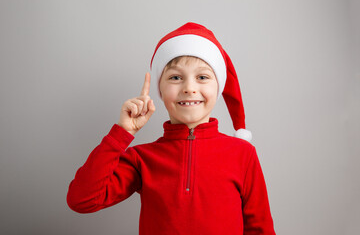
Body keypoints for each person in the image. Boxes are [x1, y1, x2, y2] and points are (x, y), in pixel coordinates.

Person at [67, 22, 276, 234]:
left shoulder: (243, 154)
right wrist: (122, 133)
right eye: (175, 77)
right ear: (160, 88)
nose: (189, 88)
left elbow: (261, 228)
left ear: (218, 85)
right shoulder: (142, 158)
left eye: (202, 77)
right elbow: (82, 200)